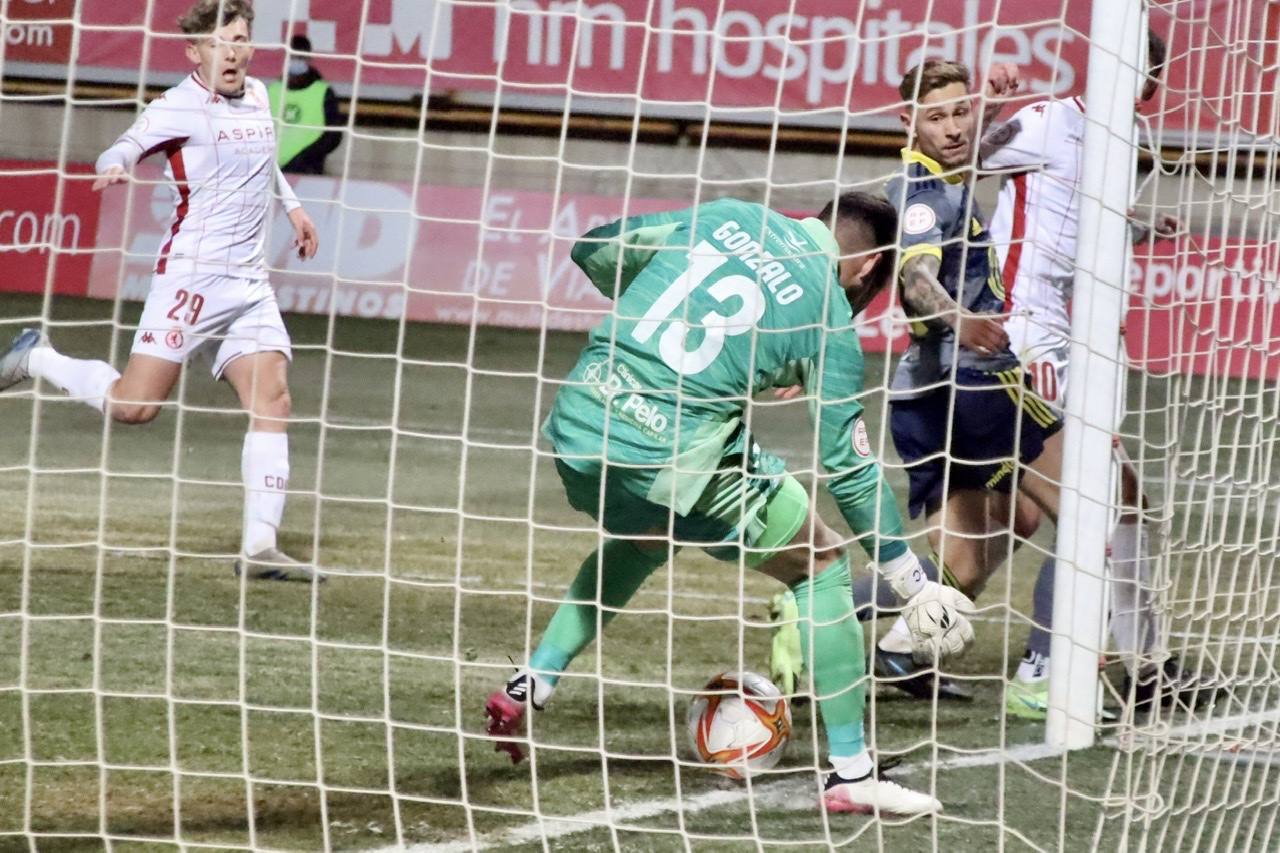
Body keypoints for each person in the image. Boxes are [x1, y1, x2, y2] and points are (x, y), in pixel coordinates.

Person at [483, 192, 977, 816]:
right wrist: (911, 583)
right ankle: (851, 773)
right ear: (865, 268)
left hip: (581, 422)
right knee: (820, 560)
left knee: (648, 535)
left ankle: (533, 681)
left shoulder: (727, 216)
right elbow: (848, 469)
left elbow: (596, 247)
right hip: (668, 448)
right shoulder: (826, 313)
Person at [0, 0, 323, 582]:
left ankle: (259, 549)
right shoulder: (176, 107)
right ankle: (37, 356)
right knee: (135, 406)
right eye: (220, 42)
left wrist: (295, 209)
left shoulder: (256, 96)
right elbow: (125, 144)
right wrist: (115, 164)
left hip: (249, 282)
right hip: (191, 279)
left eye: (241, 39)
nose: (233, 52)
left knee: (273, 399)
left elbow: (264, 158)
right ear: (195, 52)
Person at [981, 31, 1210, 718]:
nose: (1143, 77)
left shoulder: (1124, 138)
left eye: (1150, 68)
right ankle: (1043, 672)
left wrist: (1139, 229)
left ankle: (901, 638)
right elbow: (961, 157)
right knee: (1096, 505)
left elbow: (1076, 225)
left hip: (1064, 335)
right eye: (1134, 64)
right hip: (1017, 333)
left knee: (1009, 528)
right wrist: (985, 103)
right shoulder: (1049, 121)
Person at [860, 59, 1067, 702]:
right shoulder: (927, 195)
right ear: (907, 122)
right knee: (1100, 513)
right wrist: (962, 320)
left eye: (960, 113)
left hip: (923, 391)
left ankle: (831, 618)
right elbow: (918, 279)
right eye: (936, 116)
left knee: (965, 562)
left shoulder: (936, 177)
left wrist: (995, 109)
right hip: (974, 382)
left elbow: (975, 154)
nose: (952, 129)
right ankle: (1044, 676)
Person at [268, 34, 342, 175]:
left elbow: (333, 136)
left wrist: (306, 158)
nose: (296, 61)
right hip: (272, 172)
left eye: (300, 57)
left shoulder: (323, 92)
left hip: (308, 171)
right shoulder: (273, 90)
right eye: (293, 57)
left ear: (308, 59)